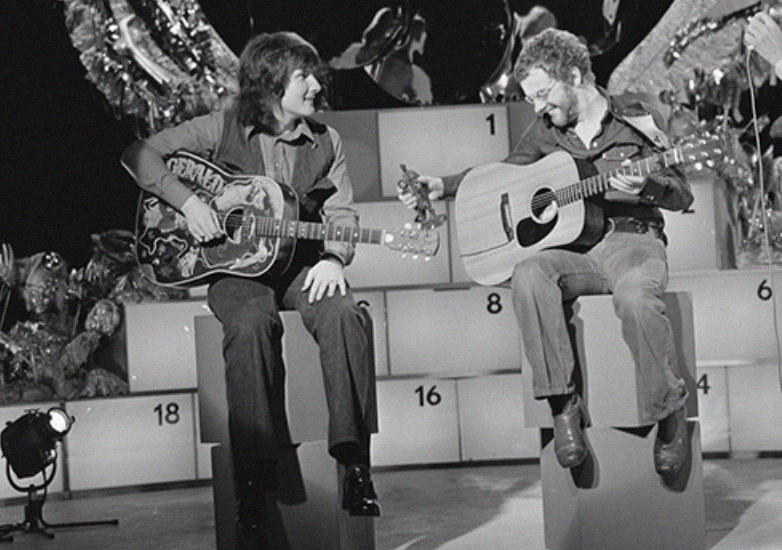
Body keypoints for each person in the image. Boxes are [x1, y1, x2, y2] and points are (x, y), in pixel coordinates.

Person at [121, 31, 379, 547]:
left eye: (312, 72)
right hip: (235, 273)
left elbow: (342, 213)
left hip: (300, 265)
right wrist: (188, 204)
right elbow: (140, 154)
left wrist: (333, 256)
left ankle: (353, 464)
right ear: (269, 82)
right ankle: (252, 489)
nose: (315, 83)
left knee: (344, 314)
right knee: (249, 324)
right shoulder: (221, 127)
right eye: (302, 75)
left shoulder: (326, 143)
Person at [398, 28, 694, 474]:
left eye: (542, 95)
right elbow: (502, 177)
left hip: (633, 242)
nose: (537, 108)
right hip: (577, 249)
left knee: (635, 297)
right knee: (529, 272)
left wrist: (648, 186)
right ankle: (562, 407)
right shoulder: (544, 130)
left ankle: (668, 413)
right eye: (532, 99)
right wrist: (443, 185)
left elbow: (682, 195)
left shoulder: (638, 118)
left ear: (573, 75)